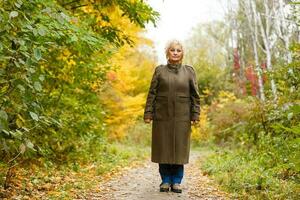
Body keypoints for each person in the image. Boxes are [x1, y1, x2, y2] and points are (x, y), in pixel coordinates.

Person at [144, 40, 200, 193]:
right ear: (167, 53)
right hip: (162, 116)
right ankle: (165, 180)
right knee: (163, 149)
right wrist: (148, 113)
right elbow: (152, 93)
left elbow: (195, 96)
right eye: (172, 50)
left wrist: (195, 114)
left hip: (182, 117)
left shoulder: (189, 71)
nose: (175, 52)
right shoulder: (160, 71)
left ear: (182, 53)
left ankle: (176, 181)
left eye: (178, 50)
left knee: (179, 149)